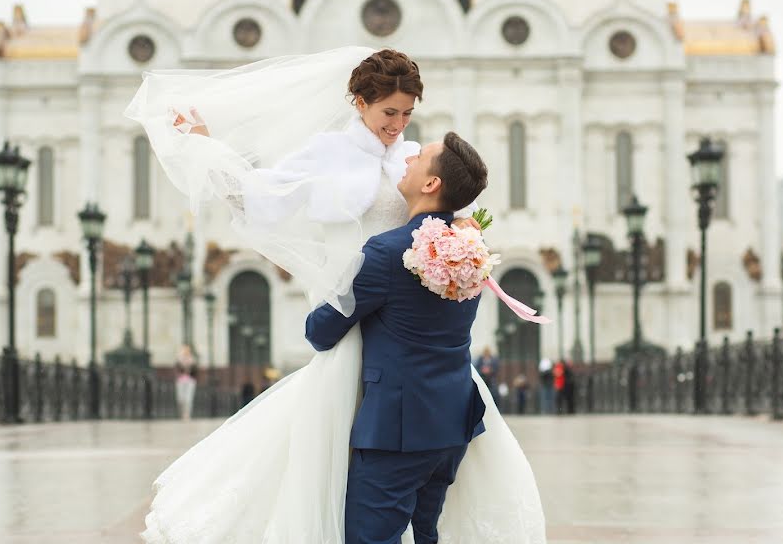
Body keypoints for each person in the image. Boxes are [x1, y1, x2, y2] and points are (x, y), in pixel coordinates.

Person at [127, 48, 546, 543]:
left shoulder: (415, 160)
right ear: (359, 101)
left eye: (407, 113)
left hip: (408, 338)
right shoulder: (326, 153)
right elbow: (259, 197)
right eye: (389, 111)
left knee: (418, 487)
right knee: (338, 464)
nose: (398, 124)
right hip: (353, 320)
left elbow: (441, 214)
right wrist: (207, 151)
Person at [305, 132, 488, 542]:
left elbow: (320, 331)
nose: (406, 160)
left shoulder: (387, 253)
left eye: (418, 157)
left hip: (398, 430)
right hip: (451, 422)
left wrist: (329, 277)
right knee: (425, 536)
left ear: (431, 184)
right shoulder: (474, 250)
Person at [174, 344, 197, 421]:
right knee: (180, 399)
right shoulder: (179, 360)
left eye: (187, 350)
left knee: (188, 399)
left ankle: (186, 415)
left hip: (190, 381)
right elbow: (177, 370)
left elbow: (195, 371)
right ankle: (181, 413)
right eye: (184, 350)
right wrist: (181, 362)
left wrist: (190, 365)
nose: (186, 352)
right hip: (180, 381)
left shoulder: (192, 360)